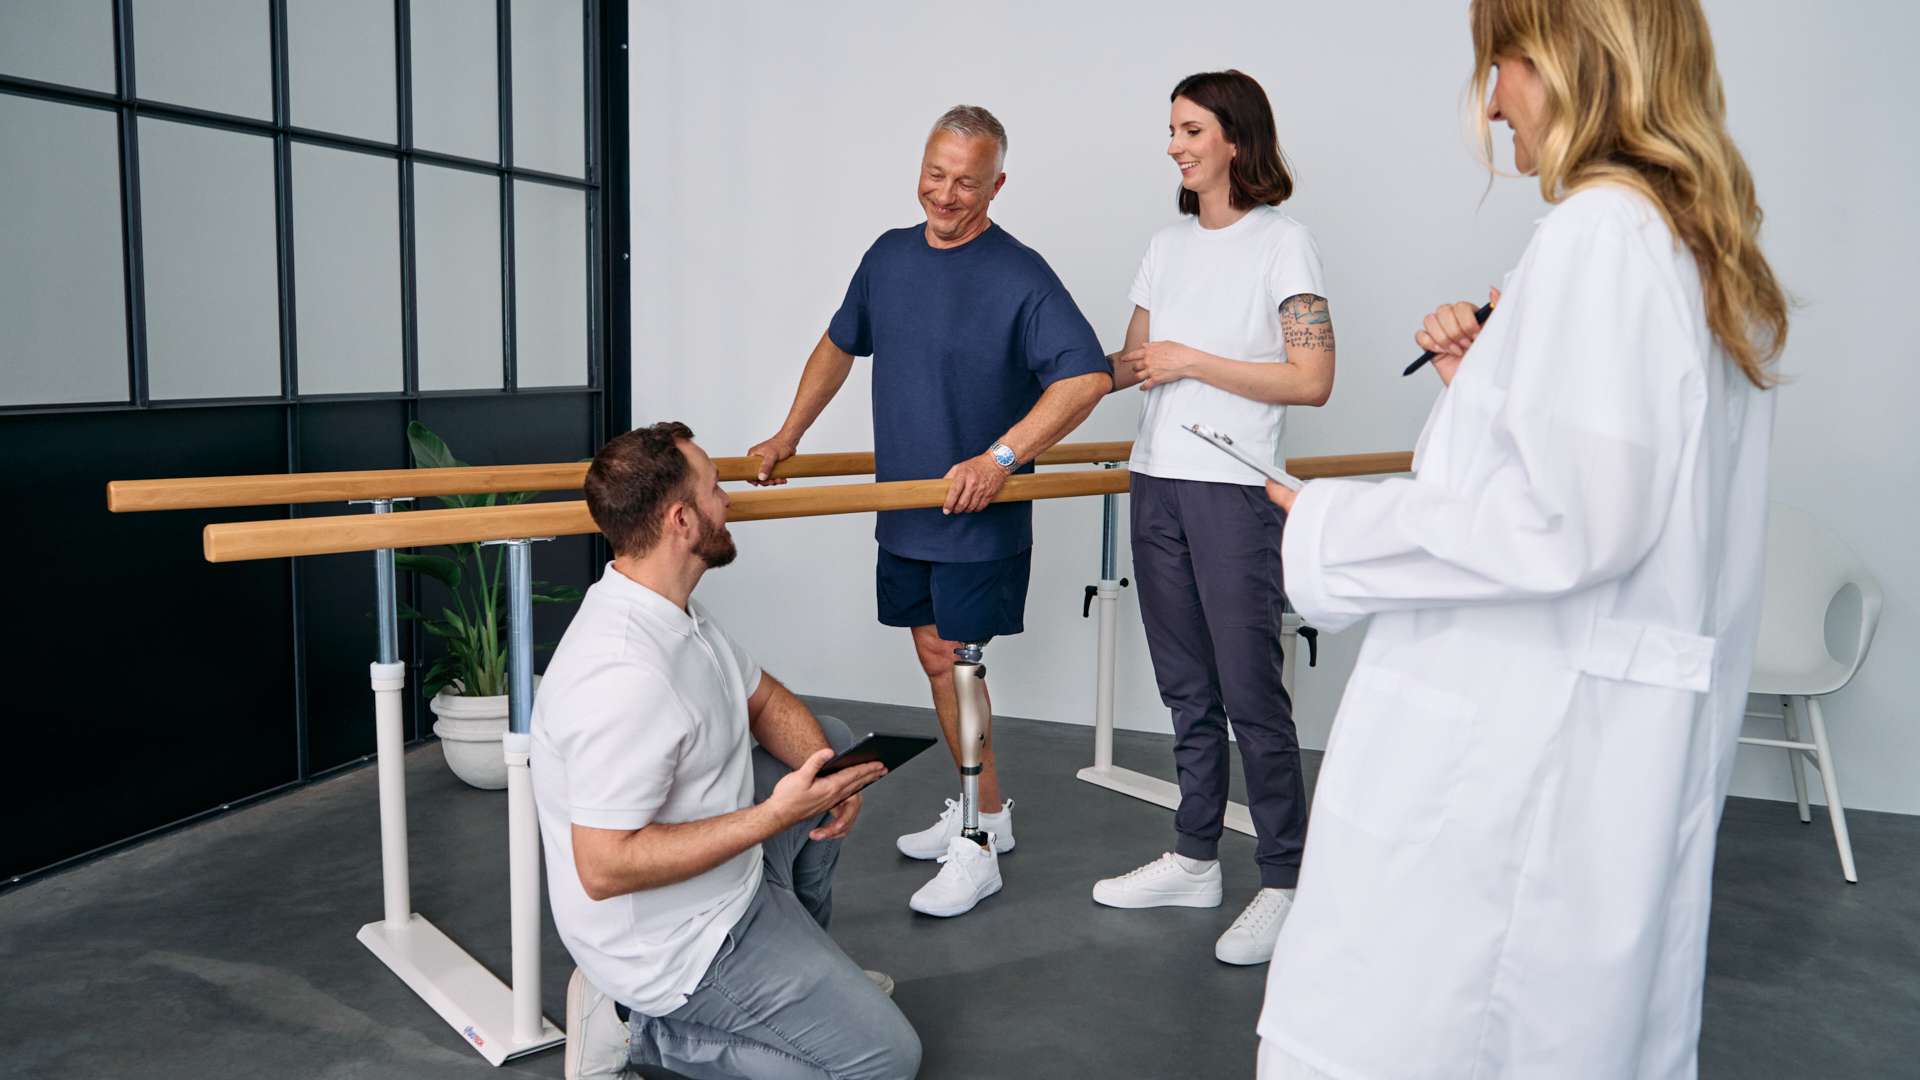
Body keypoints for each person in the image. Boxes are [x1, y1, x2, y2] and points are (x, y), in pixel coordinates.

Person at [1254, 0, 1788, 1075]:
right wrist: (1487, 388)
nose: (1492, 101)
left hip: (1513, 764)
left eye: (1502, 63)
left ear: (1578, 58)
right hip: (1593, 754)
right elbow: (1610, 489)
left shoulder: (1602, 235)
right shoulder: (1693, 245)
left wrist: (1330, 527)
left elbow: (1571, 524)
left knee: (1416, 1030)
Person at [747, 106, 1113, 918]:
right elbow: (839, 345)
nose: (945, 195)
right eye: (935, 174)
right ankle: (984, 809)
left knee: (959, 661)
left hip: (975, 514)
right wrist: (788, 435)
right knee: (932, 654)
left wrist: (1001, 458)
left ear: (998, 185)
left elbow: (1085, 377)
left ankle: (978, 844)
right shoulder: (888, 256)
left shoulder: (1020, 274)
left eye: (967, 182)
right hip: (908, 509)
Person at [533, 422, 921, 1080]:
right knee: (884, 1061)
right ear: (681, 520)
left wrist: (827, 775)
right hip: (675, 943)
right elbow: (603, 867)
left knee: (830, 742)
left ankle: (809, 976)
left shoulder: (674, 609)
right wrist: (777, 815)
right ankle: (633, 1029)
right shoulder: (622, 673)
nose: (729, 501)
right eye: (715, 491)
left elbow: (765, 701)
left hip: (730, 877)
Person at [1089, 70, 1334, 967]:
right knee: (1186, 689)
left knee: (1250, 694)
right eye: (1171, 130)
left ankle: (1285, 879)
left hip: (1233, 491)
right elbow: (1132, 360)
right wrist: (1053, 376)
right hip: (1153, 480)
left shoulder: (1285, 244)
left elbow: (1312, 380)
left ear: (1235, 137)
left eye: (1190, 129)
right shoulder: (1166, 242)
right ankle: (1195, 857)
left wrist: (1193, 359)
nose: (1175, 145)